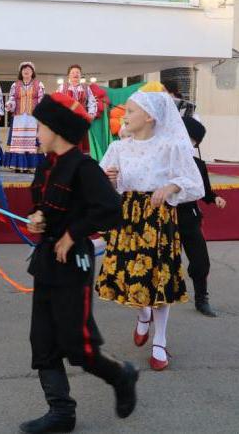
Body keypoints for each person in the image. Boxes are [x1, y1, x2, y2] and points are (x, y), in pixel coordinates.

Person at [20, 92, 138, 434]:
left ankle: (121, 376)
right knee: (42, 341)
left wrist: (73, 234)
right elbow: (37, 205)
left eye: (40, 126)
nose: (37, 132)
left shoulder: (84, 167)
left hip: (74, 266)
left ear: (56, 129)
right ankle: (61, 412)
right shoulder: (46, 165)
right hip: (46, 264)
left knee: (77, 343)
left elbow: (111, 210)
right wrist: (35, 219)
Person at [97, 88, 204, 371]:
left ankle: (160, 339)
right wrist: (108, 181)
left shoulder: (172, 147)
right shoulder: (117, 148)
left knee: (159, 279)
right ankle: (143, 315)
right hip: (128, 217)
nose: (124, 116)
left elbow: (196, 184)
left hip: (159, 219)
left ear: (150, 117)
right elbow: (101, 190)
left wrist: (171, 186)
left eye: (131, 111)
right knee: (128, 277)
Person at [178, 116, 227, 317]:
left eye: (190, 139)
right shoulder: (163, 158)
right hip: (165, 218)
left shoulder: (198, 164)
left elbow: (205, 191)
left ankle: (201, 299)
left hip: (189, 217)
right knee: (163, 263)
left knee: (201, 262)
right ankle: (152, 304)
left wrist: (215, 198)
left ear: (195, 142)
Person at [3, 61, 45, 172]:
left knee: (32, 142)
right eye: (24, 69)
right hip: (19, 118)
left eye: (29, 69)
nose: (26, 71)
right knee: (19, 142)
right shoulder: (15, 85)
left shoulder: (39, 84)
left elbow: (41, 100)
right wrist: (9, 104)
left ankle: (32, 166)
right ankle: (17, 165)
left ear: (32, 72)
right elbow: (12, 98)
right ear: (21, 72)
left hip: (33, 118)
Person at [57, 65, 97, 153]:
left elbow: (92, 102)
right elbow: (56, 102)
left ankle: (79, 164)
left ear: (80, 75)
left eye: (77, 72)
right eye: (73, 72)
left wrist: (91, 114)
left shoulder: (86, 88)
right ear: (69, 75)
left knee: (80, 145)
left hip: (81, 120)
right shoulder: (62, 87)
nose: (75, 74)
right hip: (67, 120)